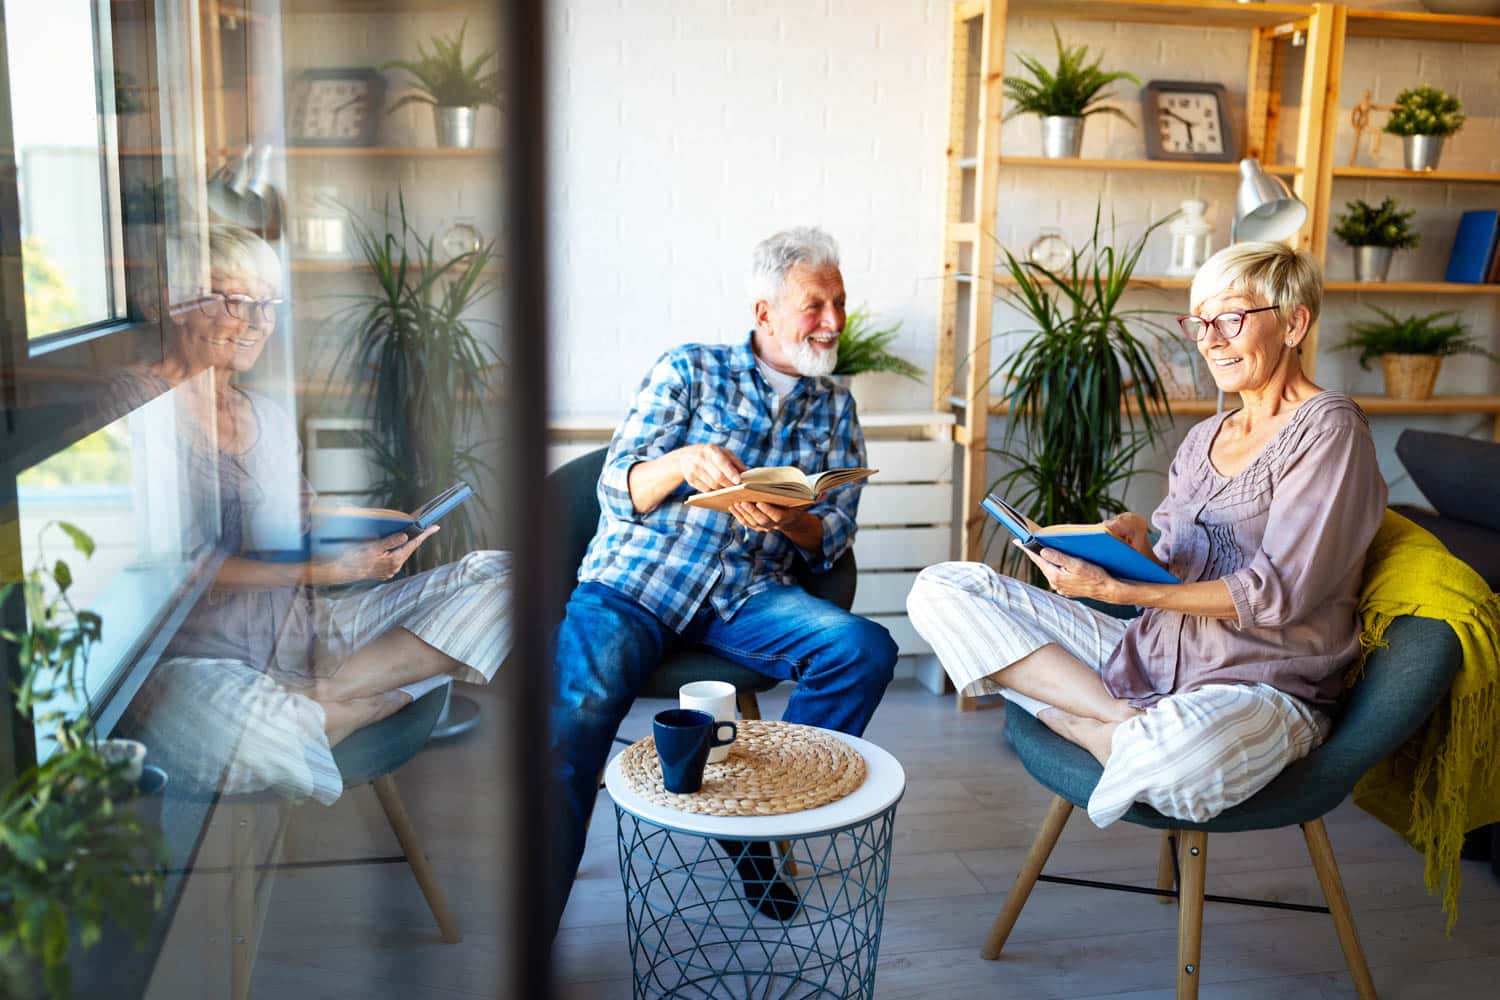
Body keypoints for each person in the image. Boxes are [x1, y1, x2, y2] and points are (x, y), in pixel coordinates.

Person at [908, 242, 1387, 828]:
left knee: (1179, 758)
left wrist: (1124, 593)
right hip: (1151, 661)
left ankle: (1081, 721)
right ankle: (1118, 722)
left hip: (1261, 686)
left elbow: (1278, 594)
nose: (1210, 339)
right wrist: (1133, 551)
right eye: (1201, 322)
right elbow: (1175, 568)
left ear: (1294, 323)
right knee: (943, 588)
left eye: (1231, 318)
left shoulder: (1329, 430)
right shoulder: (1203, 438)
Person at [549, 226, 898, 928]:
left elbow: (829, 541)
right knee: (579, 712)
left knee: (864, 650)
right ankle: (543, 897)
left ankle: (757, 822)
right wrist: (683, 463)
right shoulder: (689, 369)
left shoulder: (836, 408)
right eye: (814, 305)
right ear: (765, 312)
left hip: (748, 593)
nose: (833, 322)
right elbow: (617, 490)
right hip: (637, 580)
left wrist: (791, 518)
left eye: (839, 303)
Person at [109, 224, 512, 802]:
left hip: (304, 634)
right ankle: (374, 698)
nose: (254, 321)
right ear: (169, 303)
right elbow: (173, 570)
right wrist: (330, 571)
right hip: (197, 663)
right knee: (253, 734)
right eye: (233, 298)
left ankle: (323, 695)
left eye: (267, 304)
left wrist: (381, 521)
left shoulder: (266, 416)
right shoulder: (135, 406)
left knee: (507, 578)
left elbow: (297, 516)